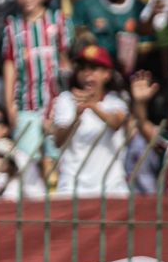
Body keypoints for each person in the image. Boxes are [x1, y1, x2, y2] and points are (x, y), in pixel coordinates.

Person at [1, 0, 72, 160]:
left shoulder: (58, 21)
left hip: (56, 106)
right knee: (27, 165)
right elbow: (10, 67)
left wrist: (66, 101)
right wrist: (9, 106)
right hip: (26, 106)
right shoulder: (12, 27)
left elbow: (66, 61)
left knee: (57, 162)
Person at [51, 45, 129, 196]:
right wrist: (76, 117)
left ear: (106, 74)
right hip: (72, 187)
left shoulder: (116, 101)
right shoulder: (65, 99)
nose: (87, 73)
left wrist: (92, 105)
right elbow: (58, 141)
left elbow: (116, 123)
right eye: (82, 68)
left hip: (111, 188)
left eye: (93, 68)